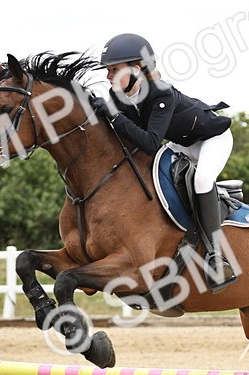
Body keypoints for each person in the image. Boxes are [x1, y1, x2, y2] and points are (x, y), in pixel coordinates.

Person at [91, 33, 238, 291]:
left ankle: (216, 256)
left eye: (114, 69)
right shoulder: (119, 98)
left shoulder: (162, 92)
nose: (108, 76)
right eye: (108, 70)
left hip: (211, 140)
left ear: (136, 69)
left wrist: (112, 116)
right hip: (180, 144)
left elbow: (149, 142)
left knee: (203, 180)